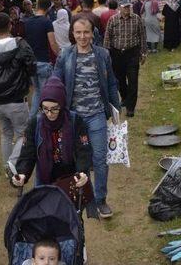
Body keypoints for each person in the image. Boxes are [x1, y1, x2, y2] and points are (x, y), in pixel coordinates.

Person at [54, 18, 120, 218]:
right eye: (78, 32)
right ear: (72, 34)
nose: (82, 37)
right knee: (75, 161)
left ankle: (100, 200)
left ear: (93, 33)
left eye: (86, 32)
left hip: (96, 116)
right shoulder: (65, 55)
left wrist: (115, 109)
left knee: (100, 160)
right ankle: (81, 197)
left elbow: (111, 83)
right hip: (73, 118)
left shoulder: (102, 54)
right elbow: (55, 82)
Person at [0, 12, 35, 171]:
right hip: (17, 99)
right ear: (11, 25)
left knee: (6, 134)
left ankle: (7, 166)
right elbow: (31, 66)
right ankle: (13, 163)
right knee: (23, 134)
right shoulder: (20, 44)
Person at [12, 76, 90, 188]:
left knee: (79, 204)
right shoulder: (35, 124)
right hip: (45, 180)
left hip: (72, 177)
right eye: (45, 108)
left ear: (62, 104)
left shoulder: (75, 121)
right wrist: (22, 173)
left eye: (54, 108)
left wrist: (82, 171)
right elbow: (27, 152)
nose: (49, 113)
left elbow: (83, 150)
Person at [104, 0, 146, 118]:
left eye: (129, 6)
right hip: (117, 54)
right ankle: (125, 97)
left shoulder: (136, 19)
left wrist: (143, 52)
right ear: (119, 8)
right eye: (125, 7)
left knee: (133, 80)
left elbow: (142, 36)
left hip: (132, 53)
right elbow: (107, 38)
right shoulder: (113, 20)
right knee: (120, 80)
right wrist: (106, 56)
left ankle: (130, 107)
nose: (127, 9)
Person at [24, 0, 60, 118]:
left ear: (37, 5)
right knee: (46, 94)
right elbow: (53, 43)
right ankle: (41, 121)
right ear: (48, 8)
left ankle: (32, 119)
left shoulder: (27, 22)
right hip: (44, 62)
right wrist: (60, 55)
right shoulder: (46, 22)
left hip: (31, 63)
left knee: (37, 92)